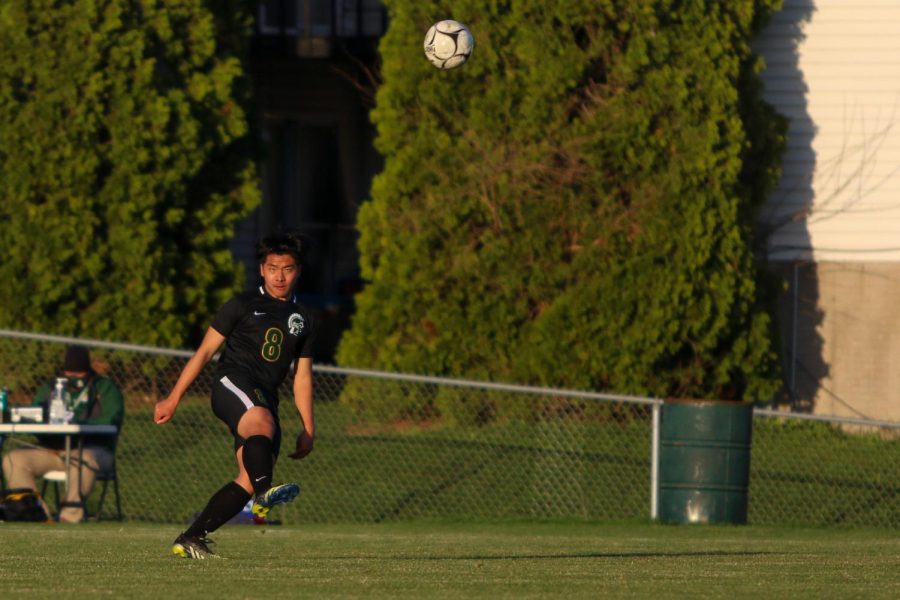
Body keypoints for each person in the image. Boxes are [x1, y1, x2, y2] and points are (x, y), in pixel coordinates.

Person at [154, 232, 316, 559]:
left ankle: (191, 536)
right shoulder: (241, 304)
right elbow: (203, 353)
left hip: (265, 397)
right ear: (261, 270)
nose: (279, 276)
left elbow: (302, 377)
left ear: (298, 270)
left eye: (287, 268)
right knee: (260, 422)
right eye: (272, 268)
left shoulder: (303, 319)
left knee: (247, 474)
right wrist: (173, 398)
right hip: (232, 383)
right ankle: (263, 493)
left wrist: (308, 428)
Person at [1, 344, 125, 523]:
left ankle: (70, 516)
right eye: (70, 373)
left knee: (83, 458)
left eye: (78, 374)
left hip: (94, 451)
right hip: (54, 451)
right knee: (14, 459)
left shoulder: (104, 387)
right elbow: (36, 413)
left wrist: (79, 425)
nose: (73, 378)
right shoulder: (53, 387)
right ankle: (34, 514)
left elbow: (111, 419)